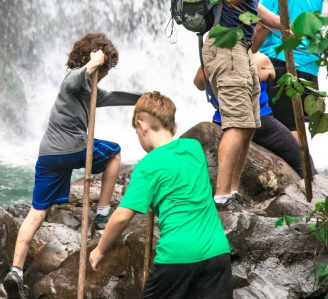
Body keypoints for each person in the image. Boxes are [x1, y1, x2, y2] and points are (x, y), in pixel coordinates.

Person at [3, 32, 142, 299]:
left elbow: (112, 96)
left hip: (49, 156)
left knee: (37, 212)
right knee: (115, 154)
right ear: (93, 60)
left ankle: (16, 272)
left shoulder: (90, 89)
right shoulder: (75, 78)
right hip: (74, 147)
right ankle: (102, 215)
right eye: (105, 70)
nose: (105, 75)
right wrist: (92, 64)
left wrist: (144, 97)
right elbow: (75, 80)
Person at [89, 92, 232, 299]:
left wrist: (100, 251)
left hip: (177, 257)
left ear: (142, 125)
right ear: (174, 126)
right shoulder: (193, 148)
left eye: (137, 132)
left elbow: (120, 217)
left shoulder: (147, 166)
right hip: (217, 251)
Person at [202, 0, 289, 209]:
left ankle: (232, 191)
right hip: (225, 45)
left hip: (241, 46)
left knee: (249, 122)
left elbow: (250, 5)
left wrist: (283, 24)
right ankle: (221, 197)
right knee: (236, 123)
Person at [194, 52, 317, 178]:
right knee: (303, 159)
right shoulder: (259, 59)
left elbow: (198, 84)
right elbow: (271, 75)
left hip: (221, 122)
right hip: (260, 123)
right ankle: (315, 191)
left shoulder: (209, 64)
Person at [252, 0, 325, 137]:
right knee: (299, 126)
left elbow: (261, 25)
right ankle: (306, 168)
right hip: (310, 64)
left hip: (279, 62)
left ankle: (298, 170)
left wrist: (248, 54)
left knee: (284, 129)